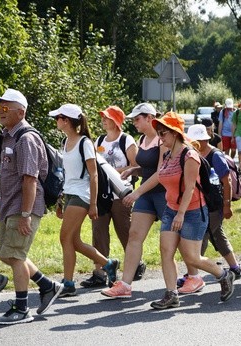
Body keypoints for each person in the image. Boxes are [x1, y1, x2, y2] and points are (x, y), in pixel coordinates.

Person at [0, 88, 63, 324]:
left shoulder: (26, 139)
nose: (0, 112)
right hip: (11, 205)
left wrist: (25, 215)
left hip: (23, 207)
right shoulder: (9, 135)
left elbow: (30, 179)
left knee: (14, 254)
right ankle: (47, 285)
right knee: (5, 253)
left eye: (5, 108)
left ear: (20, 112)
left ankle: (22, 308)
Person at [150, 112, 235, 309]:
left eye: (163, 133)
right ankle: (171, 294)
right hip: (171, 210)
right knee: (166, 251)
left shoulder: (190, 156)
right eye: (159, 133)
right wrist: (136, 194)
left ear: (175, 133)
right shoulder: (167, 155)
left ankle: (224, 275)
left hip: (193, 212)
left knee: (192, 258)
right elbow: (160, 177)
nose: (160, 137)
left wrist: (181, 213)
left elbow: (189, 188)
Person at [50, 103, 120, 297]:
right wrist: (61, 200)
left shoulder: (85, 143)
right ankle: (108, 263)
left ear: (66, 121)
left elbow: (94, 174)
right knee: (74, 241)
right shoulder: (65, 142)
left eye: (58, 118)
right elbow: (68, 174)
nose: (56, 121)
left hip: (83, 194)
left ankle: (69, 283)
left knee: (65, 237)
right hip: (70, 193)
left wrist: (93, 204)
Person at [101, 102, 167, 299]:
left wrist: (136, 193)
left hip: (164, 193)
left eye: (137, 119)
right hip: (147, 193)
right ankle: (125, 285)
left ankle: (193, 275)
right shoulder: (142, 138)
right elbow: (146, 168)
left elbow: (161, 172)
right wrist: (133, 170)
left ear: (150, 118)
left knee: (175, 240)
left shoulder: (162, 138)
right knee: (134, 236)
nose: (133, 123)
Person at [176, 124, 241, 294]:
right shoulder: (191, 154)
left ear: (205, 139)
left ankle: (194, 274)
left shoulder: (215, 155)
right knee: (216, 235)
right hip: (202, 203)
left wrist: (227, 205)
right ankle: (234, 267)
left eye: (199, 140)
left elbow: (226, 181)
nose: (196, 143)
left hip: (214, 204)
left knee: (202, 236)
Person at [80, 106, 139, 288]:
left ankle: (135, 264)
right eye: (103, 117)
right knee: (98, 232)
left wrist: (110, 171)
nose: (103, 120)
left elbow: (135, 166)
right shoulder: (98, 141)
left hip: (121, 194)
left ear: (116, 121)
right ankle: (100, 272)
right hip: (102, 195)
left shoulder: (126, 140)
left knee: (125, 231)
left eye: (107, 117)